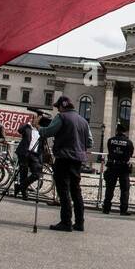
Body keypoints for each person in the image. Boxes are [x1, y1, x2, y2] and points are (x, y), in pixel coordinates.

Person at [36, 95, 92, 232]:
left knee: (63, 190)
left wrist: (37, 126)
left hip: (64, 157)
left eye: (58, 107)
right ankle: (79, 223)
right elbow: (90, 142)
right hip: (78, 159)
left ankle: (66, 222)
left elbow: (49, 132)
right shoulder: (83, 121)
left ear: (62, 106)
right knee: (76, 190)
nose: (58, 110)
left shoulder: (62, 117)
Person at [102, 122, 134, 215]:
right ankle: (123, 210)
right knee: (124, 190)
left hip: (112, 166)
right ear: (125, 131)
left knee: (109, 188)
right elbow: (130, 154)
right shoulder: (128, 142)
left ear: (117, 130)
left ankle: (106, 208)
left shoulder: (110, 140)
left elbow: (109, 150)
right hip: (123, 168)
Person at [16, 116, 40, 199]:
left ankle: (20, 186)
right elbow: (19, 130)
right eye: (36, 120)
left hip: (34, 154)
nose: (37, 121)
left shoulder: (41, 129)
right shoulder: (27, 127)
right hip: (24, 153)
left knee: (36, 174)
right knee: (24, 173)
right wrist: (28, 124)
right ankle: (24, 193)